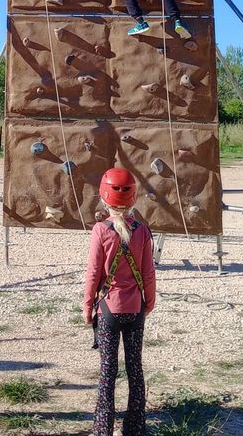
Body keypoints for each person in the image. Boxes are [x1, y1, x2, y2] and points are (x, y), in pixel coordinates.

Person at [83, 168, 156, 436]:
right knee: (135, 369)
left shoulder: (100, 231)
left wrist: (87, 305)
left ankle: (103, 430)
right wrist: (149, 302)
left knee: (107, 373)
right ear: (134, 198)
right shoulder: (143, 231)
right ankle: (135, 428)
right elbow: (148, 272)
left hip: (108, 310)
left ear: (104, 199)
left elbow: (93, 273)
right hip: (135, 308)